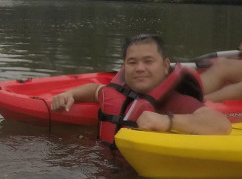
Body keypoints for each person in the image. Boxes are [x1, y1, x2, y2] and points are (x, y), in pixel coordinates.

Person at [50, 33, 231, 141]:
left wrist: (168, 122)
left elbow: (221, 125)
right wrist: (70, 94)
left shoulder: (175, 101)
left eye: (148, 61)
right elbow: (95, 91)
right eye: (132, 62)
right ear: (124, 66)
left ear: (165, 66)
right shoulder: (118, 91)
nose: (140, 68)